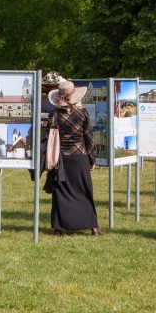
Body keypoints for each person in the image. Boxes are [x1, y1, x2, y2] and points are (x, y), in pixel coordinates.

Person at [47, 80, 99, 236]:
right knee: (84, 191)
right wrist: (92, 159)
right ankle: (93, 228)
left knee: (60, 192)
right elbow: (88, 138)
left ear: (59, 97)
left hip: (61, 158)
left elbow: (48, 137)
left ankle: (59, 228)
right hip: (80, 157)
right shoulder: (82, 113)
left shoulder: (54, 115)